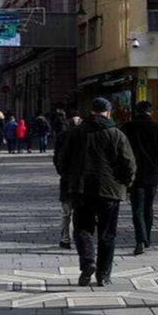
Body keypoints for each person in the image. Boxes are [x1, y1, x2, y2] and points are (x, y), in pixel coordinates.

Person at [60, 97, 136, 287]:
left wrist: (70, 178)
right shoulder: (117, 134)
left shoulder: (76, 133)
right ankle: (103, 275)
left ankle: (88, 262)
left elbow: (62, 160)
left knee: (82, 229)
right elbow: (129, 165)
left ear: (92, 111)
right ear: (108, 112)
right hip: (110, 191)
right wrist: (125, 184)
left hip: (82, 189)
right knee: (107, 234)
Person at [120, 101, 158, 256]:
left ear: (136, 111)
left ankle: (140, 240)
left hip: (134, 174)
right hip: (152, 172)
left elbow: (120, 150)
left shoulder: (127, 127)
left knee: (137, 209)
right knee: (149, 206)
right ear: (151, 111)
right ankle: (147, 238)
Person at [53, 112, 82, 250]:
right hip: (82, 181)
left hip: (66, 179)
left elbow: (57, 158)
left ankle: (65, 239)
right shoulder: (85, 137)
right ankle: (79, 238)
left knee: (66, 212)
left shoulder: (62, 136)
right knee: (80, 211)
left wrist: (61, 171)